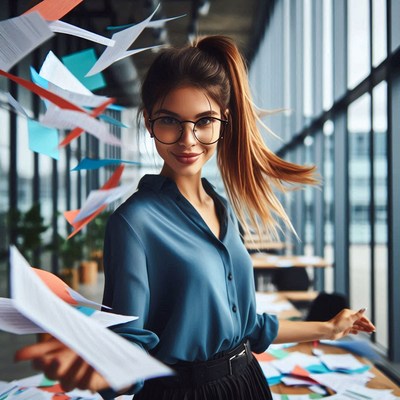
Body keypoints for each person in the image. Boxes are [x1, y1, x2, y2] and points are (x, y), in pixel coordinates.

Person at [15, 35, 375, 400]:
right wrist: (101, 369)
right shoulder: (133, 224)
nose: (188, 140)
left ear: (224, 120)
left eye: (204, 121)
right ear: (149, 121)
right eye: (170, 121)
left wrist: (329, 328)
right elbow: (127, 345)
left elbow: (248, 327)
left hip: (247, 383)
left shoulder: (222, 209)